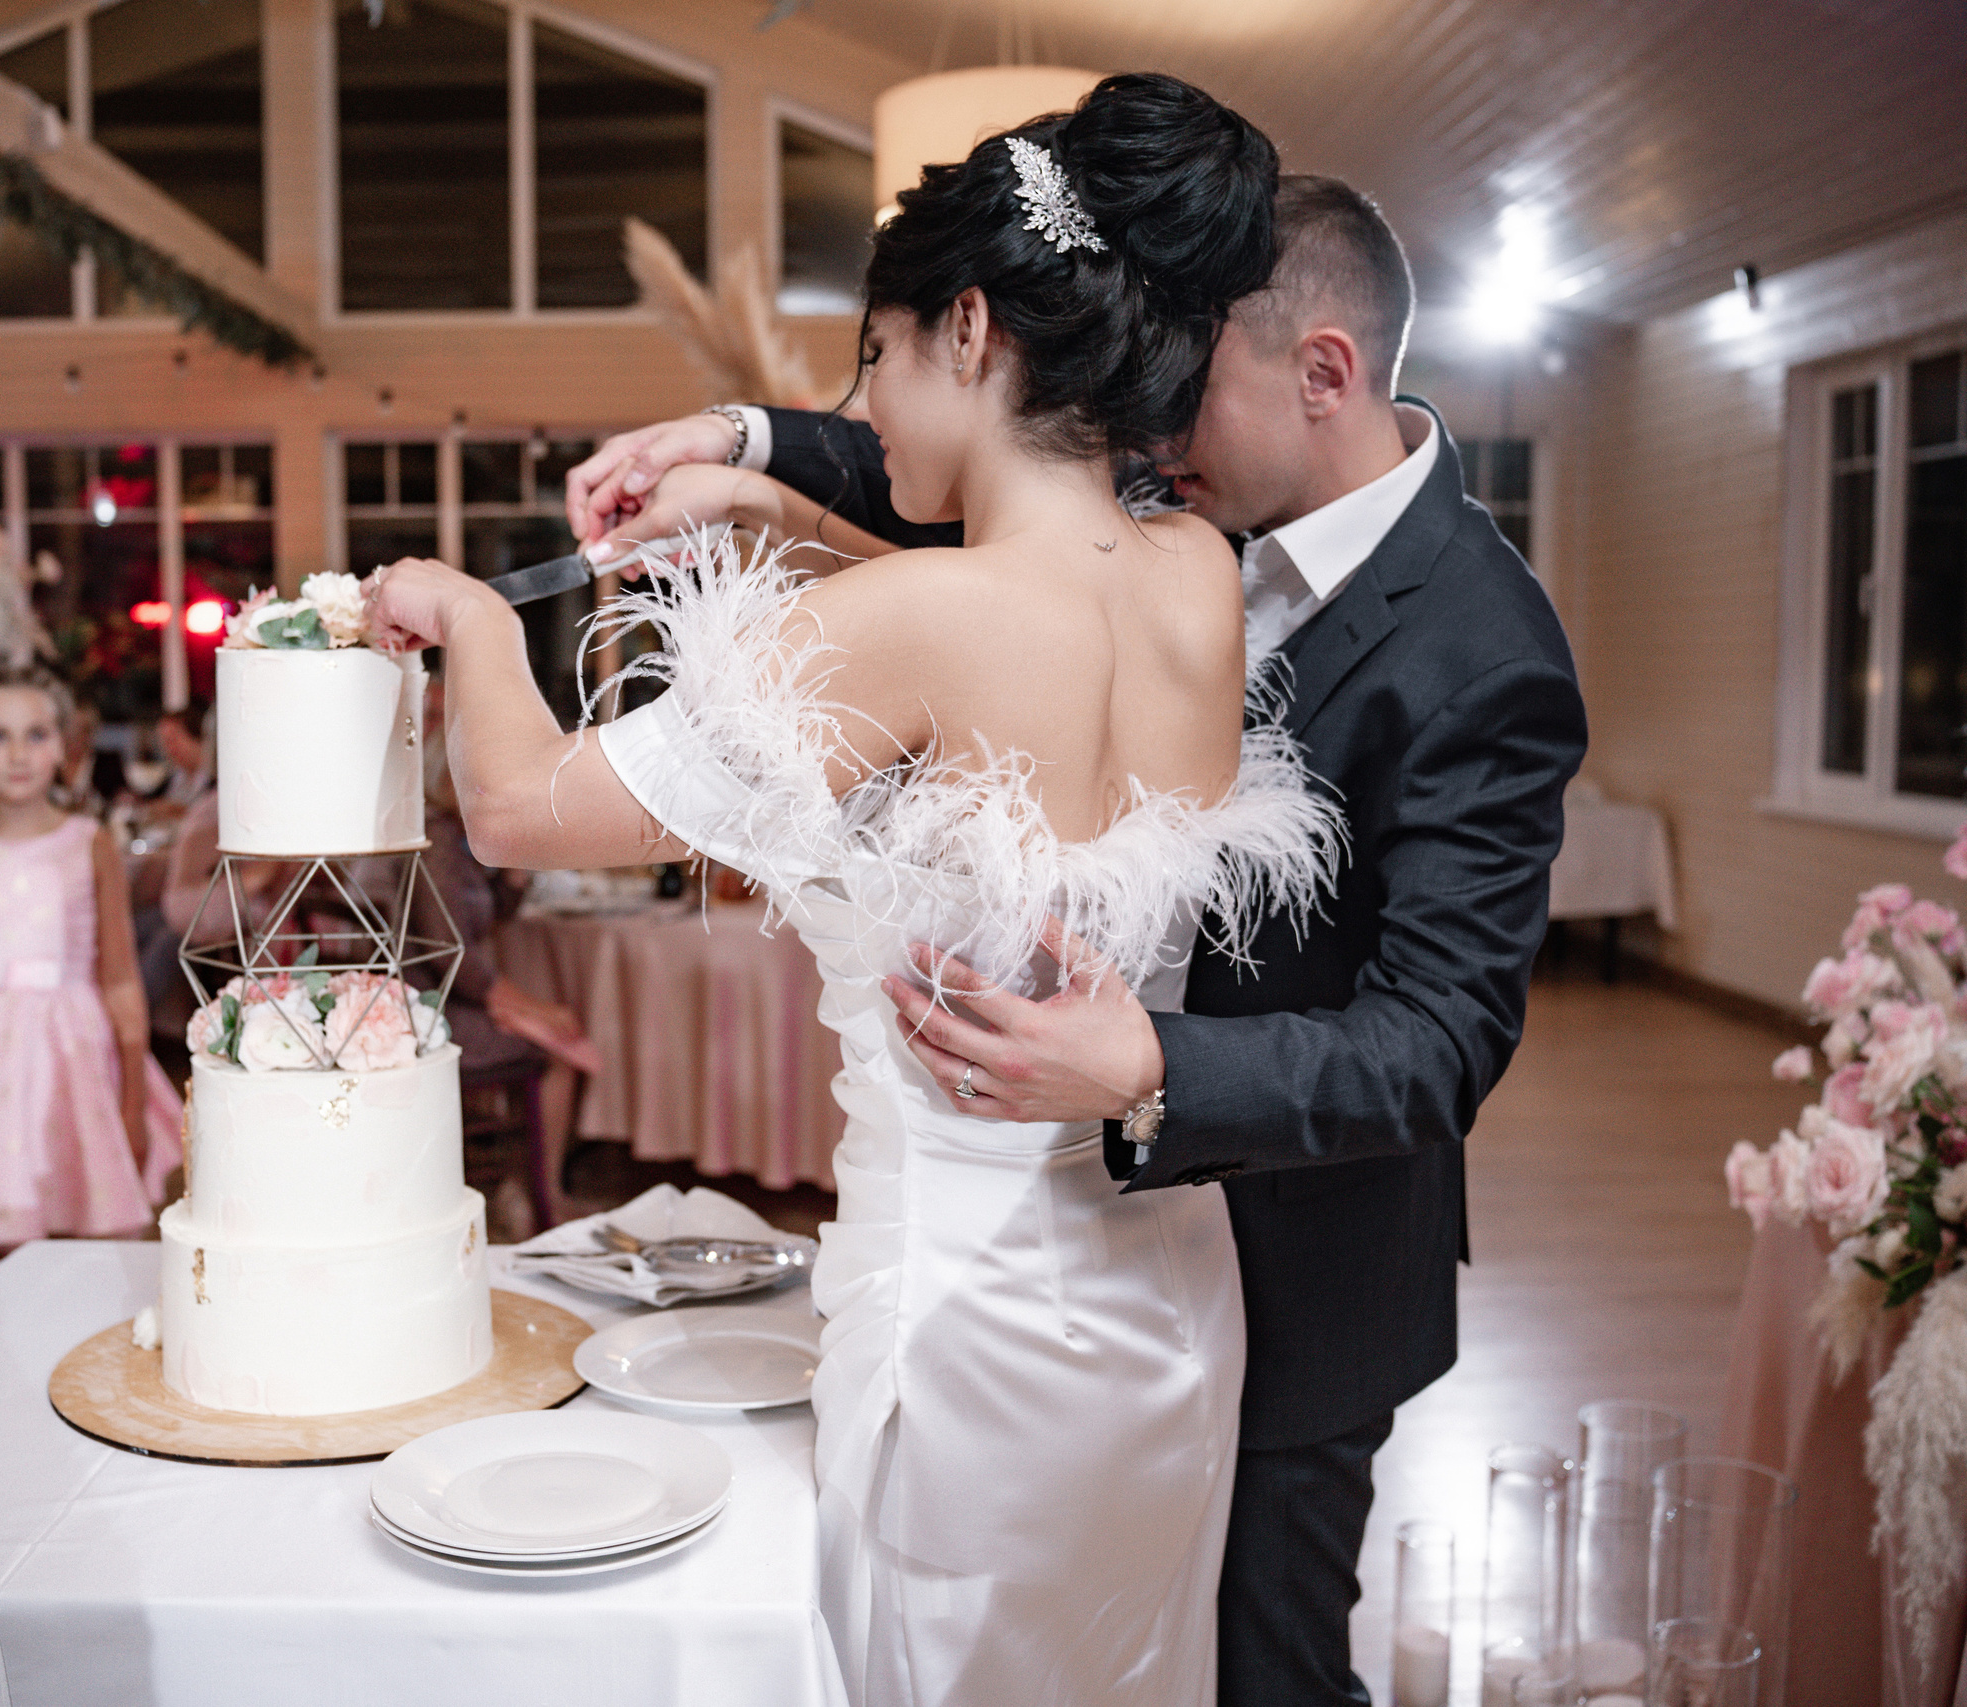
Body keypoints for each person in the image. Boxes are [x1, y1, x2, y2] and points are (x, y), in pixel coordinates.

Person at [372, 75, 1340, 1707]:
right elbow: (1007, 611)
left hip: (974, 1317)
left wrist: (465, 613)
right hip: (1169, 1298)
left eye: (873, 354)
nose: (863, 404)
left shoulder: (902, 628)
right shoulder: (1191, 574)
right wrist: (762, 491)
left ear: (972, 327)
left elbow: (527, 807)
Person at [573, 175, 1591, 1706]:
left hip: (1302, 1278)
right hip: (1087, 1273)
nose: (1140, 417)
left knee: (1261, 1670)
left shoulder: (1485, 648)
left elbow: (1439, 1041)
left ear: (1321, 373)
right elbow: (977, 465)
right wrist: (746, 445)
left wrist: (1150, 1059)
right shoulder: (1173, 508)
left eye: (1180, 381)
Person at [0, 664, 184, 1292]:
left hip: (69, 1053)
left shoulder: (89, 842)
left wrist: (133, 1092)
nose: (19, 754)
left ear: (63, 745)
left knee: (78, 1234)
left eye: (36, 734)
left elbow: (120, 979)